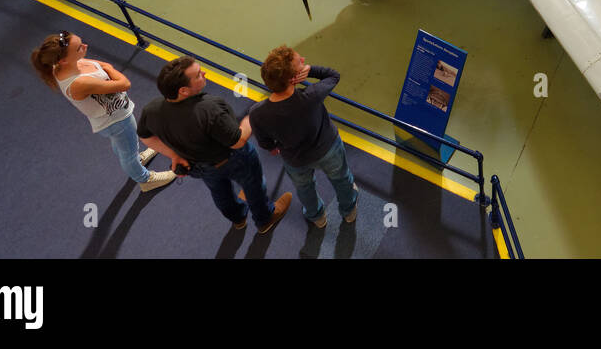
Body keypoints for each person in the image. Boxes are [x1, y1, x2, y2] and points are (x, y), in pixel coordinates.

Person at [137, 56, 291, 234]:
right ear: (184, 91)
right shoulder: (210, 109)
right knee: (253, 185)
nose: (204, 73)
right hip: (235, 159)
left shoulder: (152, 110)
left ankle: (238, 219)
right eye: (198, 75)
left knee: (220, 194)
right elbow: (237, 141)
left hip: (200, 167)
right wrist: (251, 119)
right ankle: (265, 219)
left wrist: (174, 155)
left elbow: (146, 137)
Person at [30, 31, 175, 192]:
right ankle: (145, 180)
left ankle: (134, 160)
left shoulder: (65, 63)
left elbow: (105, 67)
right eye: (79, 48)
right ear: (63, 60)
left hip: (111, 118)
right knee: (128, 152)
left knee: (124, 147)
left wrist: (107, 68)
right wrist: (109, 69)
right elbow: (124, 83)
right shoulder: (79, 82)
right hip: (116, 121)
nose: (85, 46)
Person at [250, 47, 358, 229]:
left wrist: (274, 148)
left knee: (305, 188)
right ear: (294, 79)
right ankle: (349, 212)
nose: (304, 60)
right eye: (300, 62)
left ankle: (317, 217)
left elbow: (265, 142)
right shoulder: (312, 96)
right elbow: (333, 76)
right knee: (341, 179)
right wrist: (312, 70)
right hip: (328, 150)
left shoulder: (257, 113)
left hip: (295, 160)